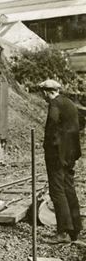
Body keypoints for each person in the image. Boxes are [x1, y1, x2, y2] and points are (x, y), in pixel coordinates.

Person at [38, 79, 82, 244]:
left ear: (46, 92)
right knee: (69, 188)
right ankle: (75, 230)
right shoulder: (69, 103)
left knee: (57, 191)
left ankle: (63, 232)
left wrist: (50, 146)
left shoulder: (54, 104)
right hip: (70, 155)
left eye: (42, 93)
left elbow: (52, 127)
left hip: (57, 156)